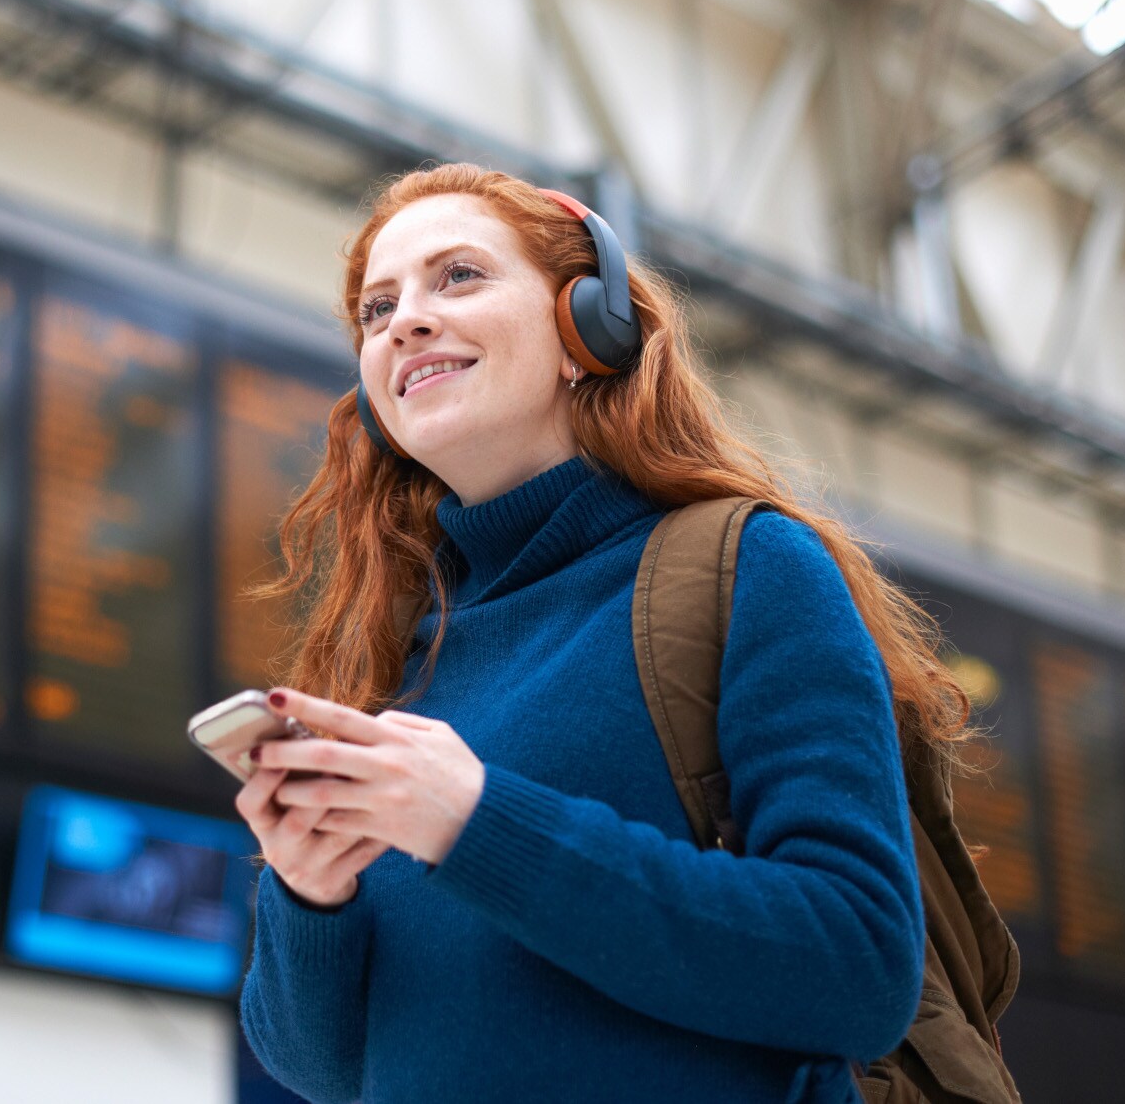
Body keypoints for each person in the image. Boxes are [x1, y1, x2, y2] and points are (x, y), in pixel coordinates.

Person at [235, 163, 965, 1104]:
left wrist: (475, 820)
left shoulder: (749, 568)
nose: (405, 319)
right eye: (378, 310)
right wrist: (308, 894)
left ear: (589, 328)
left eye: (458, 276)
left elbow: (858, 966)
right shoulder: (395, 666)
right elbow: (325, 1069)